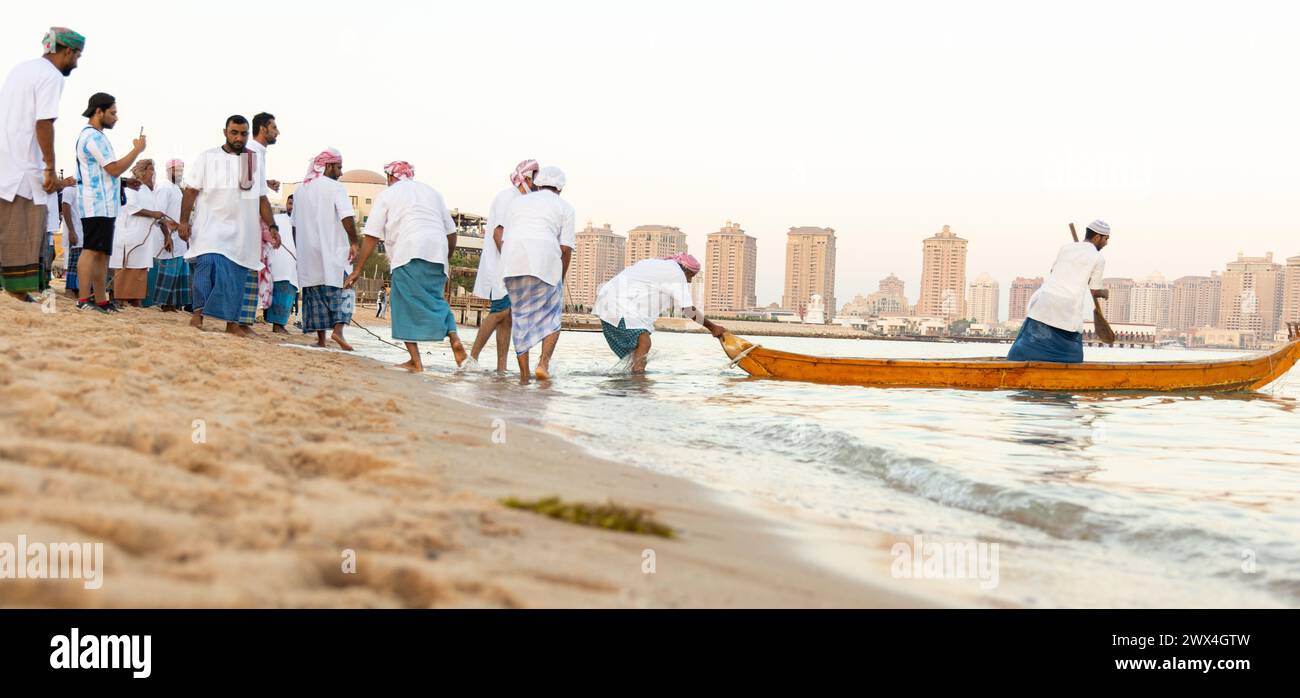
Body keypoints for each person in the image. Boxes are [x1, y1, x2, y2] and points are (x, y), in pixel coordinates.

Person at [346, 160, 468, 373]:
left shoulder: (388, 195)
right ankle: (454, 337)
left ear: (391, 177)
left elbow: (373, 234)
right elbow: (451, 233)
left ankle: (415, 360)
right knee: (436, 301)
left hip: (408, 251)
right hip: (437, 252)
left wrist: (358, 269)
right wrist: (445, 258)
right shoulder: (432, 192)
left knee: (401, 304)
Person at [0, 27, 82, 302]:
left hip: (6, 159)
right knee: (25, 231)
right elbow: (44, 122)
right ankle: (19, 294)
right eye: (77, 56)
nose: (77, 63)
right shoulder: (51, 76)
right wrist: (49, 167)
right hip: (23, 164)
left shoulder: (21, 69)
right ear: (67, 51)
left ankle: (20, 293)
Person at [179, 115, 280, 336]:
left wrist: (273, 227)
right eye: (234, 132)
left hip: (242, 232)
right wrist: (184, 221)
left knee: (235, 276)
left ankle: (231, 323)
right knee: (206, 265)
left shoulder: (251, 160)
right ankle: (198, 314)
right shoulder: (208, 157)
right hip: (209, 226)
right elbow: (191, 191)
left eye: (243, 133)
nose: (239, 137)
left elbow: (262, 198)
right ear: (225, 132)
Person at [498, 166, 574, 383]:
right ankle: (543, 363)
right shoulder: (565, 207)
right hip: (544, 261)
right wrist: (560, 277)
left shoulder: (517, 202)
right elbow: (565, 249)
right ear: (560, 188)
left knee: (521, 317)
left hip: (512, 262)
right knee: (552, 318)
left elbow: (505, 236)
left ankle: (524, 377)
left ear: (538, 184)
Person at [73, 92, 146, 313]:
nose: (116, 117)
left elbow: (103, 173)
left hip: (103, 204)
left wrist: (124, 182)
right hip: (96, 203)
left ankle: (101, 300)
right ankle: (84, 300)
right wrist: (137, 150)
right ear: (99, 111)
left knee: (102, 253)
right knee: (91, 250)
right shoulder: (93, 137)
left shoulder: (95, 136)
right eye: (112, 113)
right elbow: (112, 168)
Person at [595, 253, 727, 372]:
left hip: (605, 302)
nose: (689, 281)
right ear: (685, 269)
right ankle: (638, 384)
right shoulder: (676, 273)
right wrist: (713, 328)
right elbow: (688, 309)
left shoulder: (656, 264)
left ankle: (630, 387)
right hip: (618, 304)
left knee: (636, 351)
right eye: (691, 276)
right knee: (644, 342)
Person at [1007, 220, 1111, 363]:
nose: (1106, 243)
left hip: (1044, 300)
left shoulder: (1066, 248)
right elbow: (1094, 291)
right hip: (1067, 306)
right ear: (1098, 237)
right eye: (1106, 239)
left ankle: (1017, 362)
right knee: (1072, 356)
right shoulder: (1098, 258)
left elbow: (1053, 271)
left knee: (1026, 346)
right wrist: (1104, 293)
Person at [470, 159, 537, 371]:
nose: (536, 188)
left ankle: (501, 368)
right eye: (534, 182)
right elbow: (498, 232)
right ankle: (471, 359)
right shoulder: (508, 197)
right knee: (500, 311)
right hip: (501, 267)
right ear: (526, 178)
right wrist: (509, 264)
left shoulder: (520, 200)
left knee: (507, 318)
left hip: (509, 266)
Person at [293, 148, 358, 350]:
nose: (340, 173)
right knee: (345, 289)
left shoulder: (300, 189)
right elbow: (346, 215)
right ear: (328, 166)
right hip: (333, 250)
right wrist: (354, 241)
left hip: (308, 254)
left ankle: (321, 340)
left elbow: (294, 224)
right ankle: (338, 332)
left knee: (315, 295)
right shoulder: (334, 187)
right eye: (338, 167)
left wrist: (299, 250)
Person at [109, 159, 171, 306]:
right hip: (129, 235)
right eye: (150, 169)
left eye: (153, 169)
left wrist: (167, 228)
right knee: (127, 267)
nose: (153, 173)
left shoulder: (149, 191)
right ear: (142, 171)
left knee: (140, 268)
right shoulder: (132, 187)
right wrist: (154, 214)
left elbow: (156, 215)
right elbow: (132, 208)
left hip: (143, 239)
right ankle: (121, 299)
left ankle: (135, 300)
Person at [248, 112, 279, 316]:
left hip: (251, 220)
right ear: (262, 128)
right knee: (250, 269)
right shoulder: (251, 152)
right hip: (247, 221)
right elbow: (256, 196)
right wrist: (272, 226)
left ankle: (244, 319)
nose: (278, 131)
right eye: (274, 127)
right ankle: (241, 320)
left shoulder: (258, 153)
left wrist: (265, 183)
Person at [150, 159, 189, 311]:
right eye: (175, 170)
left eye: (180, 169)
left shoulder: (177, 188)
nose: (178, 173)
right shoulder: (164, 188)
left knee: (178, 273)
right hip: (167, 237)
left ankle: (172, 305)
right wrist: (167, 236)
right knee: (168, 271)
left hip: (179, 238)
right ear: (168, 170)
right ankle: (164, 304)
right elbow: (159, 216)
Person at [265, 194, 298, 333]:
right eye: (289, 203)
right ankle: (277, 326)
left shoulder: (305, 223)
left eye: (294, 204)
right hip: (278, 262)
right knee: (277, 294)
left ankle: (279, 325)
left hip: (293, 266)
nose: (291, 207)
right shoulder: (277, 220)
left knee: (288, 295)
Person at [60, 182, 84, 298]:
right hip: (75, 230)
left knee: (82, 263)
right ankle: (69, 289)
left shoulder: (87, 189)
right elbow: (65, 206)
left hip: (85, 231)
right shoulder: (70, 189)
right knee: (74, 262)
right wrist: (71, 230)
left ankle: (78, 289)